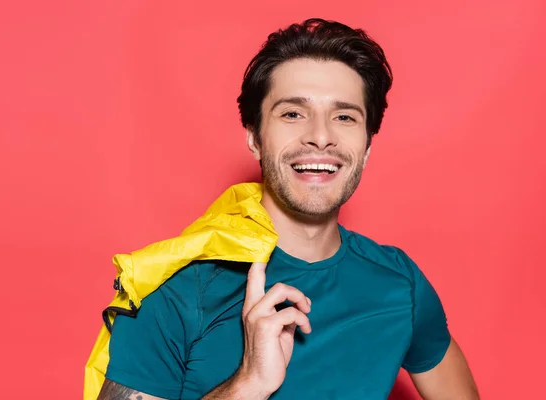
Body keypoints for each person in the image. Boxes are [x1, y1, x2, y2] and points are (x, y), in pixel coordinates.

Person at [97, 18, 479, 399]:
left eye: (344, 116)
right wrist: (248, 384)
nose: (320, 136)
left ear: (367, 146)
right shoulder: (170, 288)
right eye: (293, 113)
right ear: (255, 137)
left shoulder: (400, 283)